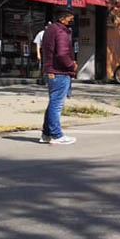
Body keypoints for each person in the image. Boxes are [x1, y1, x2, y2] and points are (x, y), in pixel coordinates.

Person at [39, 10, 78, 145]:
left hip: (52, 71)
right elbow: (62, 54)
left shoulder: (50, 29)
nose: (71, 22)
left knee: (53, 103)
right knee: (56, 104)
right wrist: (71, 65)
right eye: (70, 19)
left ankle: (46, 134)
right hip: (59, 72)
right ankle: (56, 134)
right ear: (62, 19)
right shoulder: (61, 32)